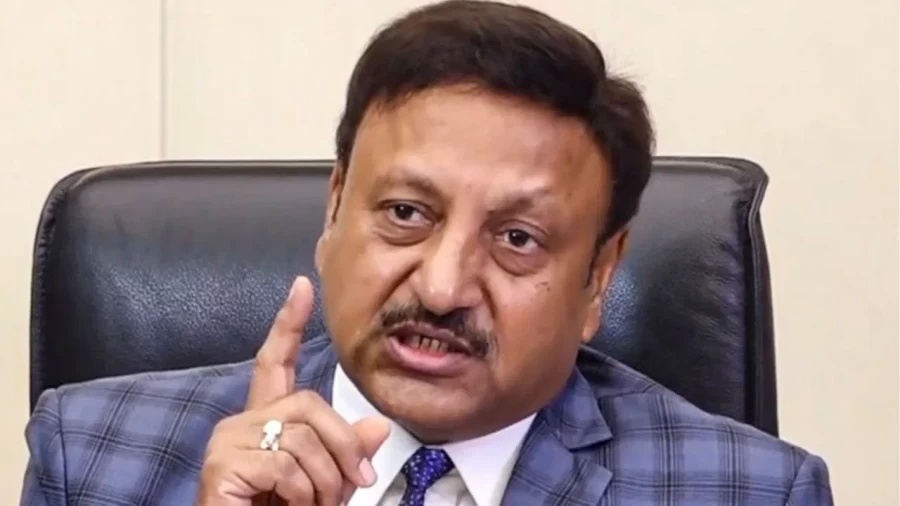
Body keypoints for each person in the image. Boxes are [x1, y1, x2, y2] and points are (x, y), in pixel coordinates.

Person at [20, 1, 833, 505]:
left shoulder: (753, 494)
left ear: (598, 279)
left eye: (517, 239)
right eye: (406, 214)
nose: (443, 289)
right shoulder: (90, 460)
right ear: (335, 208)